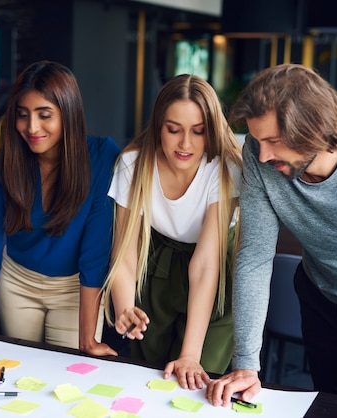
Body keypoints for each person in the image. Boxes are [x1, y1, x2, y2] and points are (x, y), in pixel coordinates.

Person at [206, 64, 337, 418]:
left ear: (315, 129)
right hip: (318, 296)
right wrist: (246, 364)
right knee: (327, 406)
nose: (261, 156)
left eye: (273, 141)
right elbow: (255, 258)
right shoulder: (260, 160)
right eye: (257, 140)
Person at [0, 60, 121, 368]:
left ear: (68, 113)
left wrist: (88, 341)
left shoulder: (102, 157)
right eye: (22, 114)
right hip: (18, 282)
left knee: (65, 376)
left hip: (74, 288)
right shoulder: (2, 166)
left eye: (45, 115)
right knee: (20, 372)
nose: (31, 127)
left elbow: (95, 256)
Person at [102, 74, 243, 390]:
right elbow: (125, 251)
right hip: (157, 268)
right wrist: (124, 305)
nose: (185, 144)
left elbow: (205, 265)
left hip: (215, 276)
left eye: (198, 131)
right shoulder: (133, 164)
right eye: (173, 129)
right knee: (151, 380)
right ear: (157, 126)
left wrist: (191, 355)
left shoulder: (225, 169)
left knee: (195, 384)